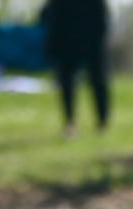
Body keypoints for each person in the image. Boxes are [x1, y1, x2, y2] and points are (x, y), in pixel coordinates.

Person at [39, 0, 110, 137]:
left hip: (91, 39)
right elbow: (51, 14)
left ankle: (102, 122)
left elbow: (101, 13)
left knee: (98, 80)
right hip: (67, 39)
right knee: (66, 83)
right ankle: (70, 122)